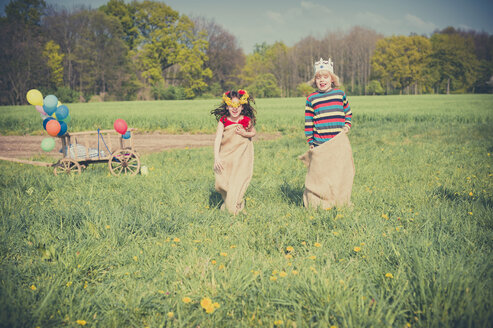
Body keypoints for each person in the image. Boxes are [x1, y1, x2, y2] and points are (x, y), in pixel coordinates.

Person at [299, 58, 355, 209]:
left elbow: (348, 112)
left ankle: (338, 200)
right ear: (314, 80)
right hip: (320, 143)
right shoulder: (311, 99)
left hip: (337, 142)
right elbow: (309, 121)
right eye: (318, 77)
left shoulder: (339, 95)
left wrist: (347, 126)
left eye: (325, 77)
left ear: (332, 79)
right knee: (320, 174)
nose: (322, 80)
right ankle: (318, 202)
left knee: (337, 172)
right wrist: (311, 141)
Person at [211, 90, 257, 215]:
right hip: (226, 156)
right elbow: (218, 139)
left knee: (237, 181)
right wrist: (217, 158)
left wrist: (244, 133)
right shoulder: (223, 120)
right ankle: (230, 201)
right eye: (232, 106)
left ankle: (235, 205)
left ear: (242, 106)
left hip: (240, 158)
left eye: (238, 106)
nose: (235, 109)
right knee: (221, 183)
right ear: (227, 106)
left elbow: (253, 132)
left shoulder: (246, 120)